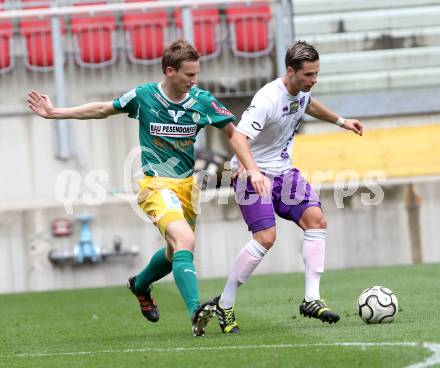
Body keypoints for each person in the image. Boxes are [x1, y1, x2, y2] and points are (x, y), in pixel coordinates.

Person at [27, 39, 266, 337]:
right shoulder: (144, 96)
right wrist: (55, 112)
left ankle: (140, 284)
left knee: (174, 252)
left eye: (196, 74)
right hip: (156, 185)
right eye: (189, 75)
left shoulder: (202, 101)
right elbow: (103, 109)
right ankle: (195, 311)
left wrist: (250, 167)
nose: (195, 80)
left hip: (188, 188)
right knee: (185, 239)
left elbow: (234, 133)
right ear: (169, 71)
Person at [213, 40, 364, 333]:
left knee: (316, 220)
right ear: (291, 71)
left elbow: (309, 104)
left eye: (317, 73)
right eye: (309, 75)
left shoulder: (302, 91)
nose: (314, 80)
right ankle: (225, 303)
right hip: (250, 173)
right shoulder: (267, 98)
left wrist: (342, 121)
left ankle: (312, 299)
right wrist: (253, 171)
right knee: (266, 238)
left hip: (284, 172)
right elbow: (237, 138)